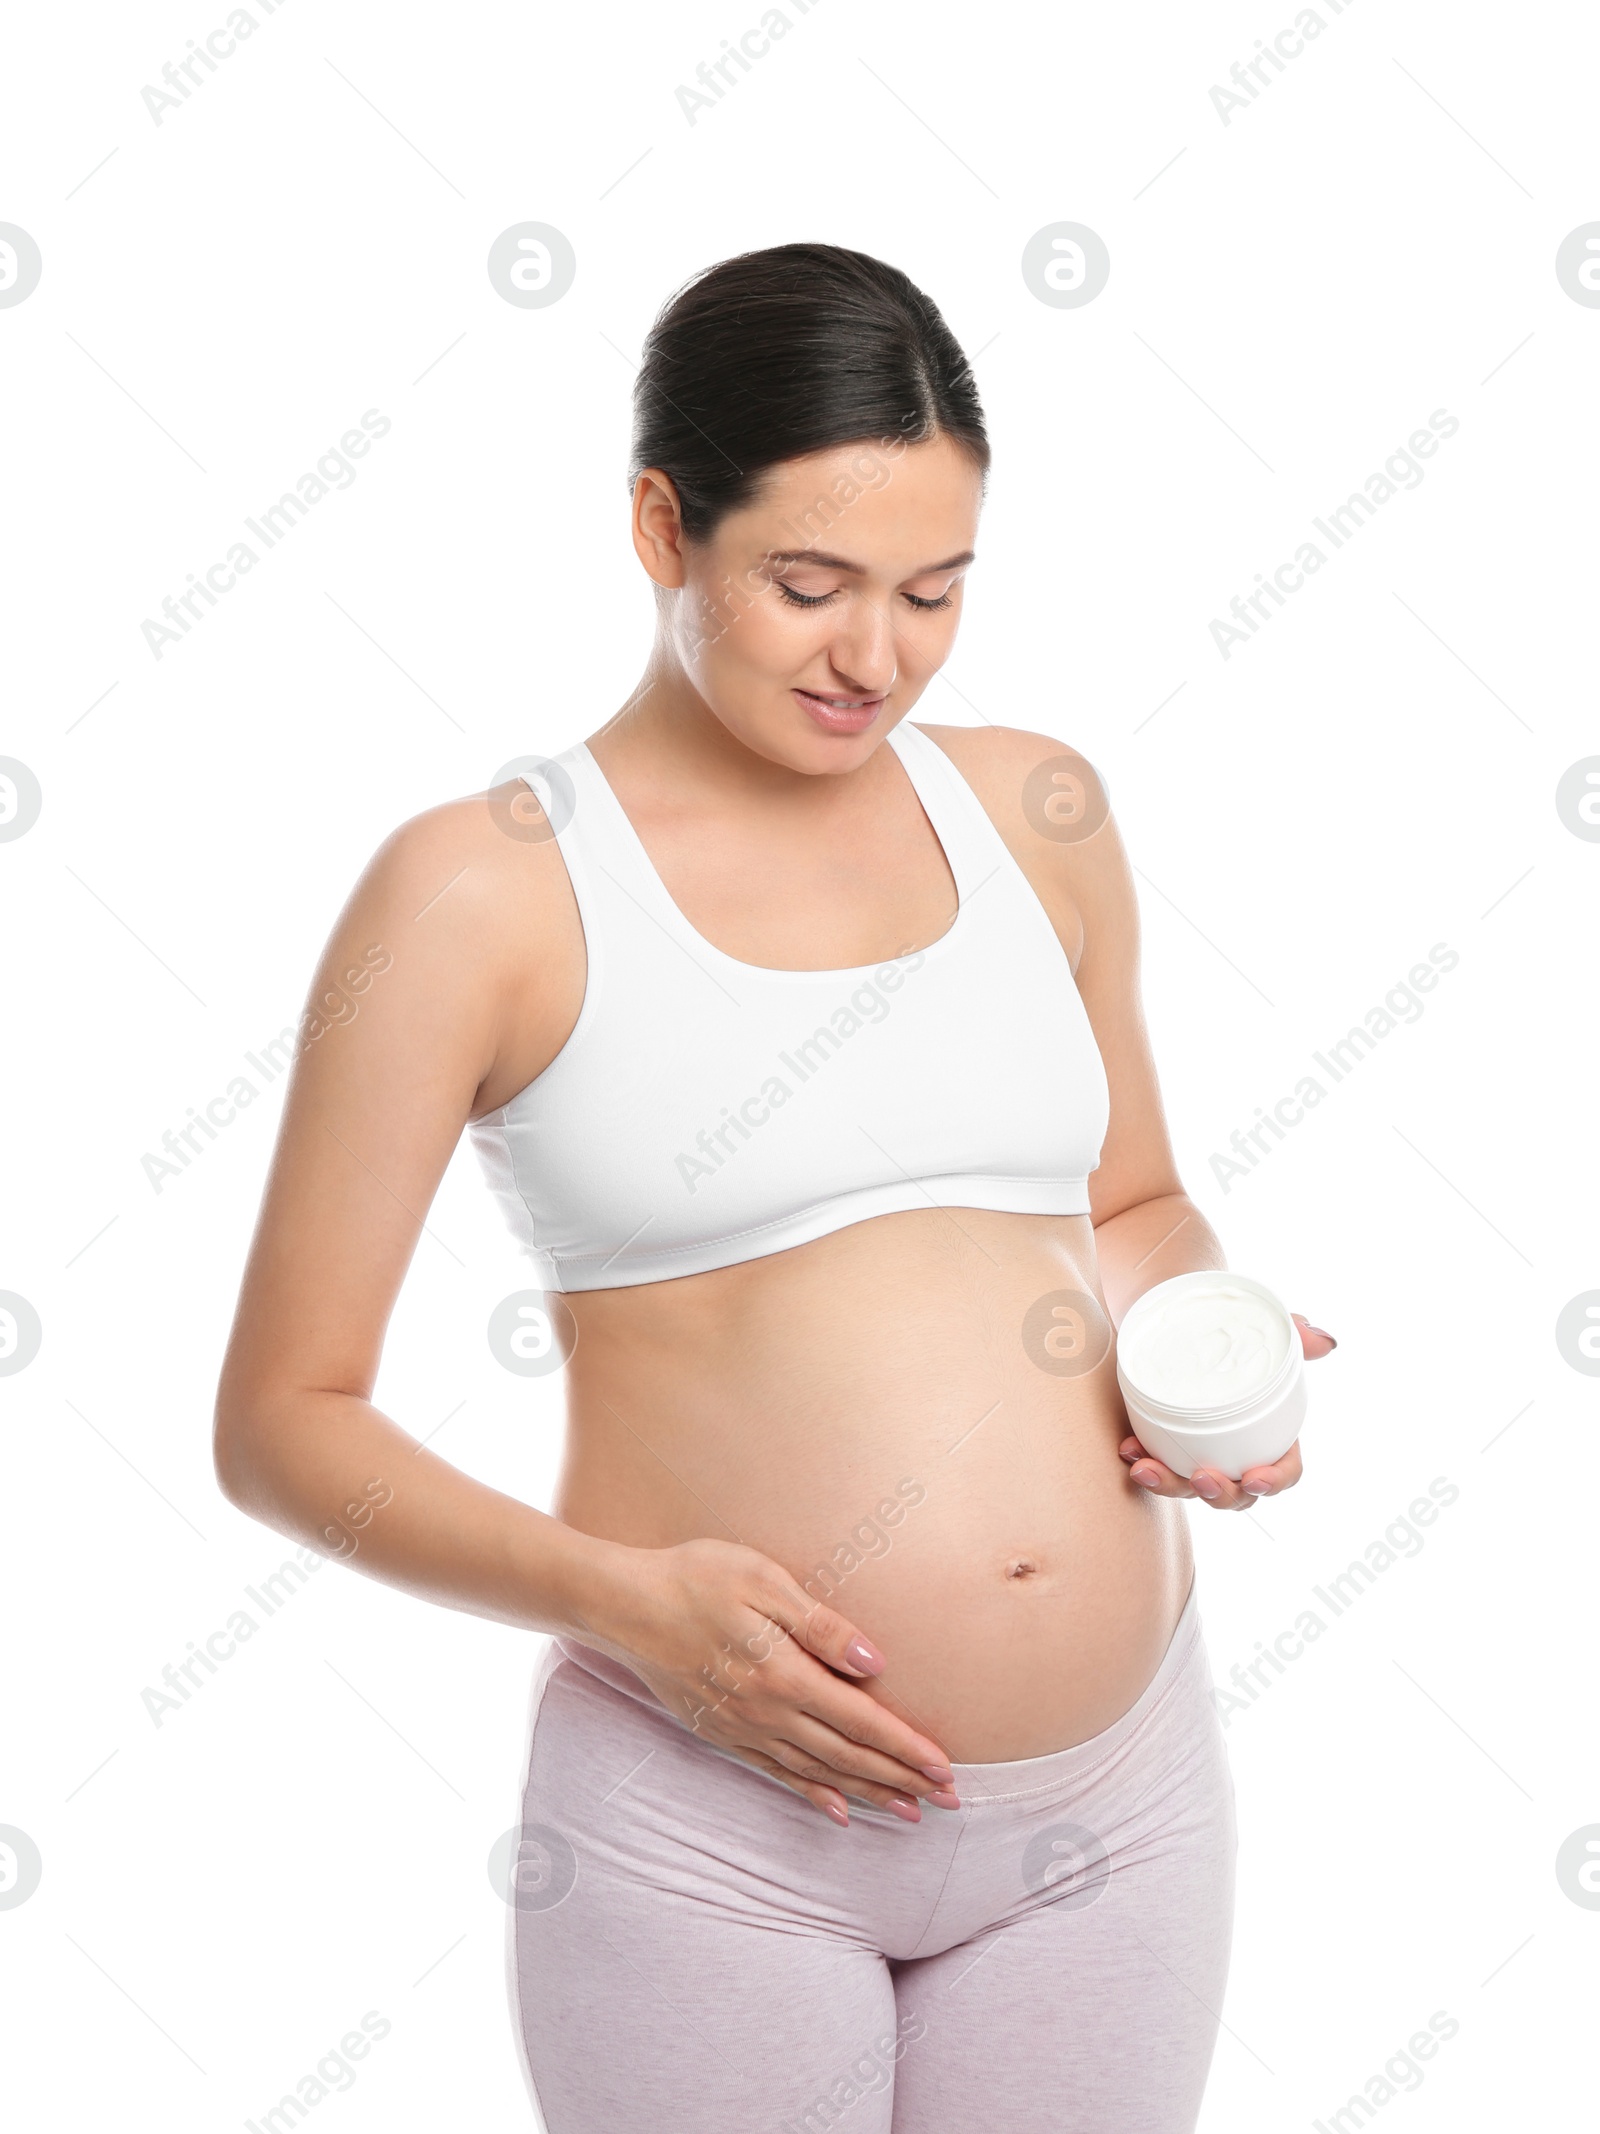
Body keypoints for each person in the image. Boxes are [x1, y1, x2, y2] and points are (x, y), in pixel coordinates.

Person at [214, 241, 1335, 2133]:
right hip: (717, 1825)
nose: (874, 657)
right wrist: (631, 1604)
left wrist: (1185, 1353)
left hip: (1118, 1806)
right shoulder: (479, 894)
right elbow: (282, 1424)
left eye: (934, 592)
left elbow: (1133, 1200)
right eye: (806, 585)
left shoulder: (1038, 812)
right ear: (664, 526)